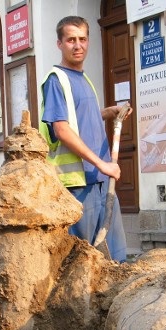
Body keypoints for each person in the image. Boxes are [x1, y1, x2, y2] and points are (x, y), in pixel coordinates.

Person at [40, 15, 128, 262]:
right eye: (71, 40)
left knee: (115, 256)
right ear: (60, 43)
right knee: (82, 261)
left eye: (82, 39)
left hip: (102, 181)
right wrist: (102, 164)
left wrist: (105, 113)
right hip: (77, 186)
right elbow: (62, 130)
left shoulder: (85, 79)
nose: (77, 45)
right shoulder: (56, 81)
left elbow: (77, 120)